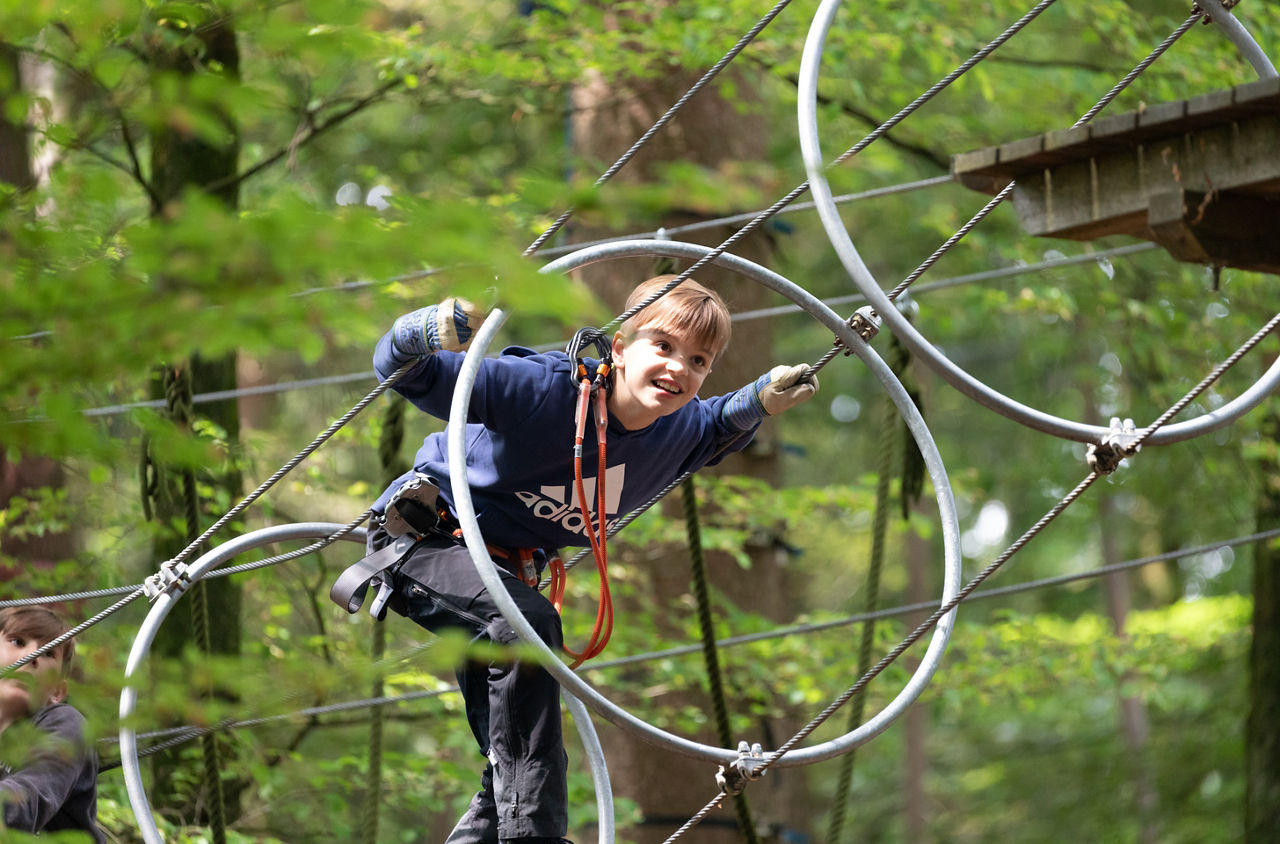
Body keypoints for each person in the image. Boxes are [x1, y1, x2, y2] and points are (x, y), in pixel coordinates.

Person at [350, 275, 817, 843]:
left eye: (697, 361)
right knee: (526, 624)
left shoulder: (679, 430)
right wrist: (418, 333)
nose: (678, 369)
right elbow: (401, 370)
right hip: (425, 541)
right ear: (619, 348)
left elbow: (720, 423)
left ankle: (504, 831)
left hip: (506, 575)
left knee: (510, 758)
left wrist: (763, 398)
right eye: (663, 347)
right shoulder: (544, 392)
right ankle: (536, 837)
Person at [0, 607, 104, 843]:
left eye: (48, 653)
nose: (33, 656)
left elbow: (27, 798)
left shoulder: (66, 724)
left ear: (57, 691)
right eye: (17, 641)